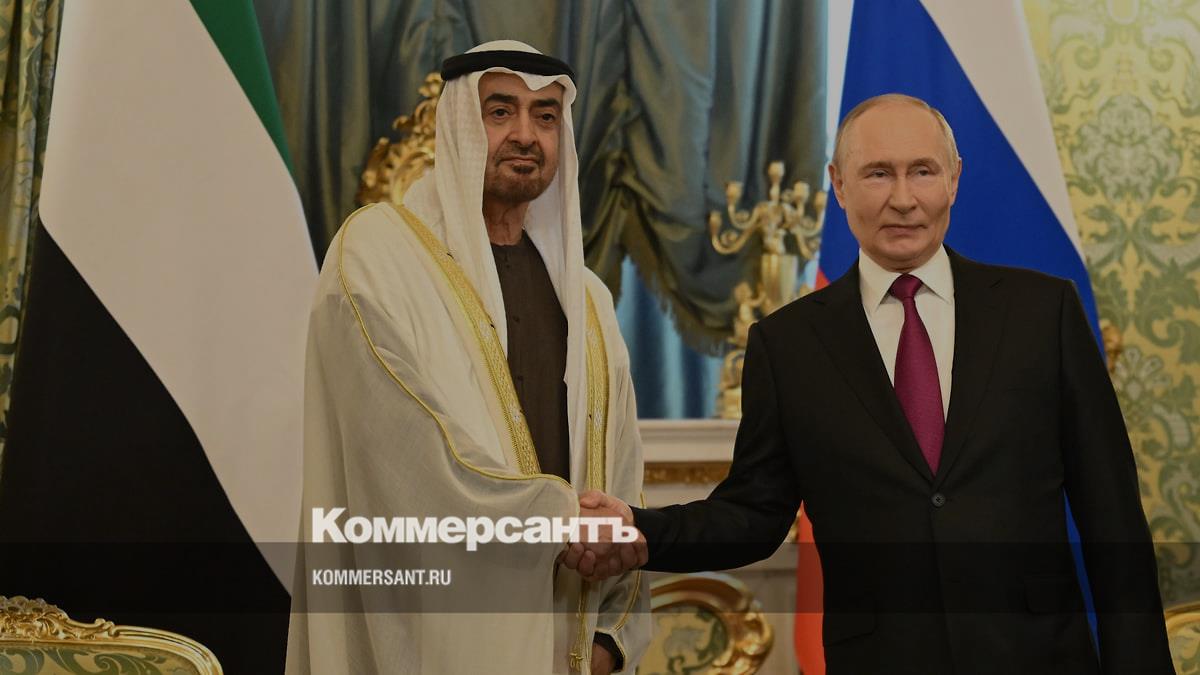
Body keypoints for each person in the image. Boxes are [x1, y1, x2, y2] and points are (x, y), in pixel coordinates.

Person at [565, 94, 1174, 674]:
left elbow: (1112, 520)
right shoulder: (788, 344)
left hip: (1040, 657)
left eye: (922, 172)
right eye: (878, 174)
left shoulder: (1043, 312)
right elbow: (754, 513)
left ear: (954, 179)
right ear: (838, 184)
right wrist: (641, 530)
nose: (903, 199)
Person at [286, 41, 649, 674]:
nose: (525, 135)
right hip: (429, 630)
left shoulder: (588, 296)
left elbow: (620, 470)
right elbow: (404, 453)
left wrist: (608, 640)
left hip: (568, 644)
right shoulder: (376, 254)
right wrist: (555, 521)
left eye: (545, 116)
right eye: (500, 111)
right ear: (456, 125)